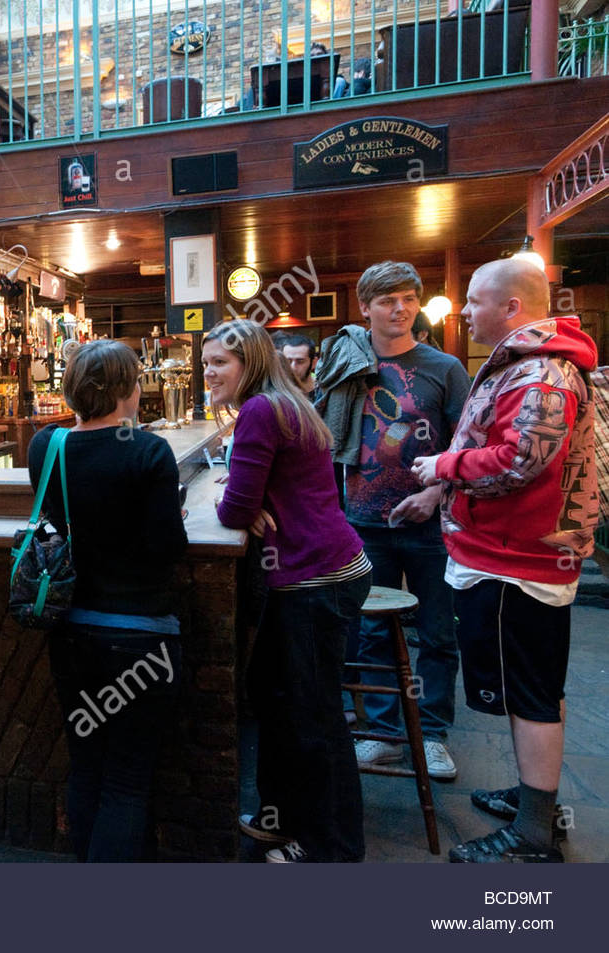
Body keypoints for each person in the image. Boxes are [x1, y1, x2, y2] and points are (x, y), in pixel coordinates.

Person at [411, 259, 599, 863]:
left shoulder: (541, 372)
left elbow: (521, 462)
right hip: (514, 555)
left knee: (531, 694)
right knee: (533, 688)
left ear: (512, 307)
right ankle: (535, 801)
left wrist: (442, 468)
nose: (463, 311)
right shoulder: (535, 362)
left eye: (472, 300)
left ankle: (532, 836)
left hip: (517, 559)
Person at [208, 319, 371, 863]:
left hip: (314, 577)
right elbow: (250, 497)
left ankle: (334, 847)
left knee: (315, 717)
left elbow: (235, 506)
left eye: (218, 364)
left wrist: (237, 504)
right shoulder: (283, 401)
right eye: (205, 362)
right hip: (325, 566)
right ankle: (282, 819)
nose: (208, 373)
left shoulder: (260, 410)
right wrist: (246, 501)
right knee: (280, 701)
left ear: (249, 364)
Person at [27, 340, 186, 862]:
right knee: (127, 781)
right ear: (127, 389)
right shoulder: (147, 451)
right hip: (141, 636)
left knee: (87, 765)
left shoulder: (46, 446)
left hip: (71, 628)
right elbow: (168, 550)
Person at [321, 262, 470, 780]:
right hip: (362, 519)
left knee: (437, 632)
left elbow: (469, 442)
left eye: (408, 298)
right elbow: (327, 435)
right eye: (387, 300)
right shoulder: (346, 364)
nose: (400, 309)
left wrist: (435, 491)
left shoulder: (444, 367)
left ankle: (431, 734)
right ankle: (383, 733)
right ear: (365, 307)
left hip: (431, 520)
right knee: (371, 630)